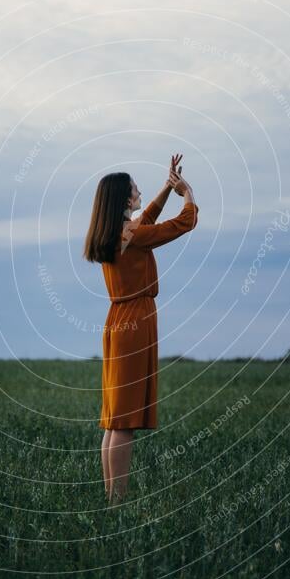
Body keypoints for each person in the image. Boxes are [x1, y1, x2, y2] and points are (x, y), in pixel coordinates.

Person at [83, 155, 199, 506]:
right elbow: (181, 225)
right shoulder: (131, 234)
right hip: (135, 323)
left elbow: (146, 219)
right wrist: (187, 193)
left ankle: (111, 500)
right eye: (134, 188)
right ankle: (117, 504)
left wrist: (167, 187)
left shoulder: (117, 231)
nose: (139, 191)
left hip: (119, 321)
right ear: (122, 198)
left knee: (115, 420)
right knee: (125, 421)